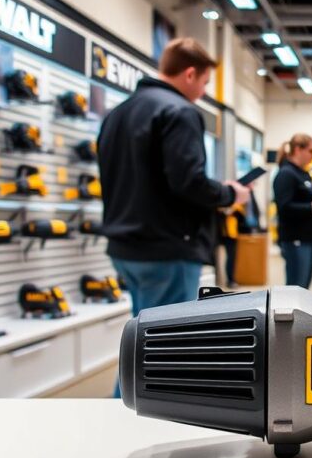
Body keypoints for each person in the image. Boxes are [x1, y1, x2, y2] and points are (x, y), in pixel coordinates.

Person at [98, 37, 251, 397]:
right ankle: (135, 418)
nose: (202, 91)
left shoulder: (118, 113)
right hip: (166, 247)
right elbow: (189, 183)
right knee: (162, 348)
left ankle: (120, 411)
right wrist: (230, 194)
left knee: (142, 340)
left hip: (126, 248)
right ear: (189, 73)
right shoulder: (179, 112)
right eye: (203, 83)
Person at [273, 134, 312, 288]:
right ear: (298, 150)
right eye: (311, 151)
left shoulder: (302, 173)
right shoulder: (286, 174)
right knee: (296, 287)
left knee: (304, 287)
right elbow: (285, 208)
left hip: (310, 238)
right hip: (297, 240)